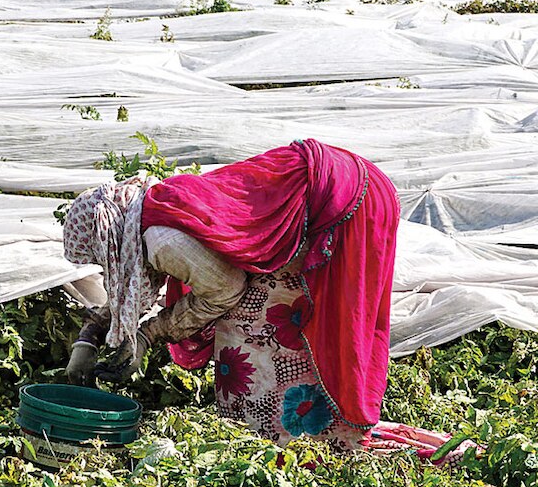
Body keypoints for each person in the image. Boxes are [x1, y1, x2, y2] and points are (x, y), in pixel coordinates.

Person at [61, 138, 476, 464]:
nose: (105, 264)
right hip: (345, 182)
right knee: (269, 309)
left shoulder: (164, 240)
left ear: (108, 237)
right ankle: (298, 426)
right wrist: (89, 336)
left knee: (261, 318)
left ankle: (288, 435)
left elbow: (225, 290)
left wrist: (150, 334)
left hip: (345, 205)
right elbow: (135, 280)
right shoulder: (150, 208)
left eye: (100, 256)